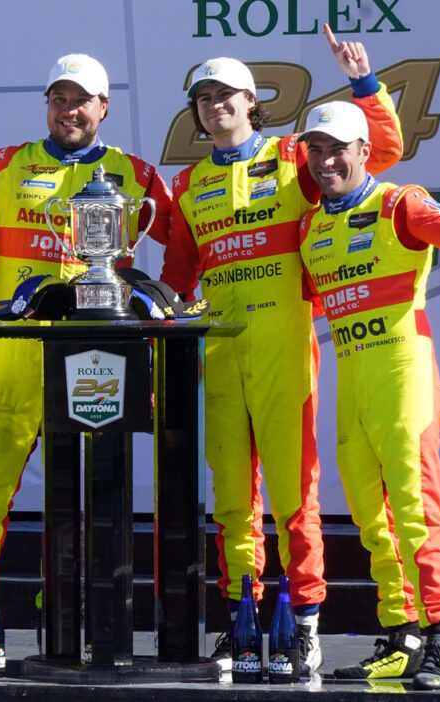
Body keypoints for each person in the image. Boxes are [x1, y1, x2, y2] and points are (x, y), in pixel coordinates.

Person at [159, 25, 402, 675]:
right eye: (204, 99)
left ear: (251, 101)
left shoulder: (297, 156)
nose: (215, 106)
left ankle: (304, 622)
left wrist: (365, 86)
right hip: (219, 355)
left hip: (283, 346)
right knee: (234, 499)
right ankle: (242, 619)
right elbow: (178, 280)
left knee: (297, 497)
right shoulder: (188, 186)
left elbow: (382, 148)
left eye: (226, 95)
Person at [0, 53, 172, 656]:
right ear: (48, 104)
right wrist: (15, 285)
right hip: (16, 348)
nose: (69, 111)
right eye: (59, 99)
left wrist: (161, 305)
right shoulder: (7, 163)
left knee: (94, 494)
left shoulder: (135, 172)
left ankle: (75, 619)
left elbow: (187, 239)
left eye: (81, 100)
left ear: (103, 107)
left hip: (97, 350)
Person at [296, 100, 440, 690]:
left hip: (402, 375)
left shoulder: (399, 203)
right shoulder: (311, 226)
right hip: (353, 383)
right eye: (315, 149)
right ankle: (402, 635)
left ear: (365, 151)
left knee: (416, 511)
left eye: (338, 148)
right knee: (371, 519)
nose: (325, 160)